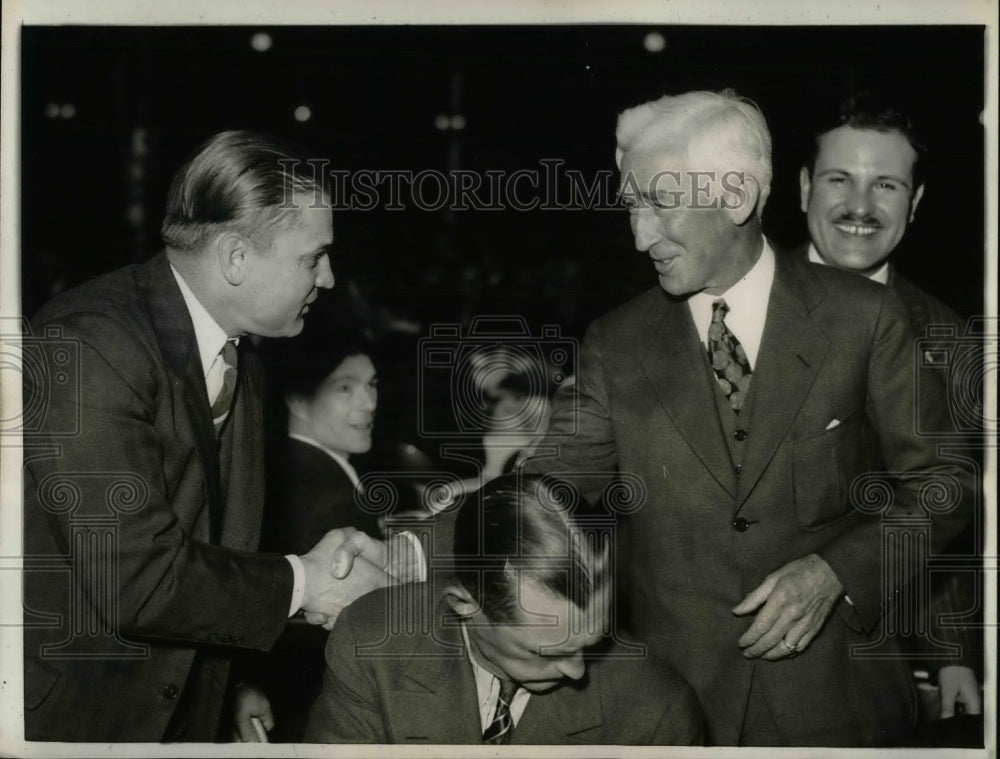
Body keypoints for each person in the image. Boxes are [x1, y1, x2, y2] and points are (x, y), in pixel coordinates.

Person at [523, 89, 975, 746]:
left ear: (735, 196)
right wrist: (408, 548)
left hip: (842, 708)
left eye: (661, 204)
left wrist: (837, 571)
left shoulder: (866, 319)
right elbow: (541, 489)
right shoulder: (616, 342)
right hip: (674, 709)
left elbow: (944, 483)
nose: (639, 234)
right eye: (632, 205)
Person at [21, 130, 399, 742]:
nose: (328, 279)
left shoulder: (241, 350)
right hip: (76, 716)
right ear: (235, 258)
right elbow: (137, 581)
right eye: (312, 257)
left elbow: (212, 546)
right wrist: (306, 582)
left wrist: (230, 683)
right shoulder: (91, 345)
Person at [798, 93, 982, 725]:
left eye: (885, 185)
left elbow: (946, 511)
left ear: (916, 203)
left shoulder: (952, 340)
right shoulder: (736, 309)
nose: (859, 206)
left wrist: (953, 654)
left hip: (885, 672)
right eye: (839, 179)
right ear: (802, 189)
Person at [304, 474, 704, 745]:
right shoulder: (370, 644)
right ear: (464, 604)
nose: (578, 670)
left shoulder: (657, 712)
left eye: (593, 638)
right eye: (544, 651)